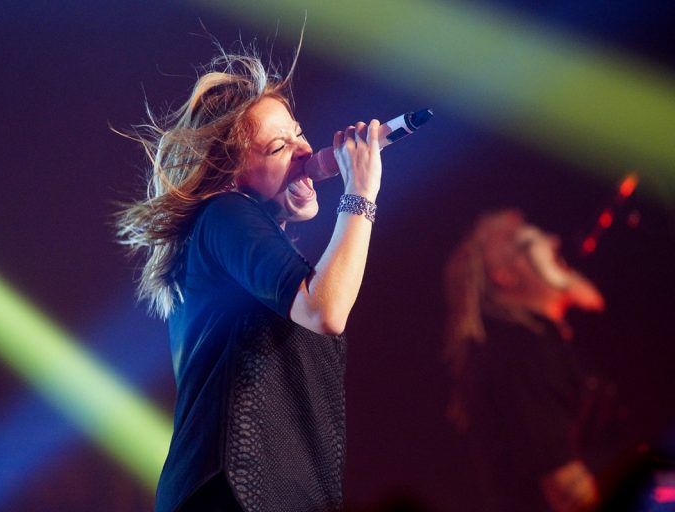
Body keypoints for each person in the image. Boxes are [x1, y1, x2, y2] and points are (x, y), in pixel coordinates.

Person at [116, 42, 383, 512]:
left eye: (298, 135)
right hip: (230, 491)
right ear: (231, 176)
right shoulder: (224, 213)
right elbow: (325, 310)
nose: (305, 152)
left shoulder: (245, 245)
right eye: (279, 147)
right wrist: (361, 193)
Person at [443, 210, 612, 512]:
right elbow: (568, 490)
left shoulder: (541, 339)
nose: (552, 241)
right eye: (523, 242)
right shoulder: (519, 353)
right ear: (505, 275)